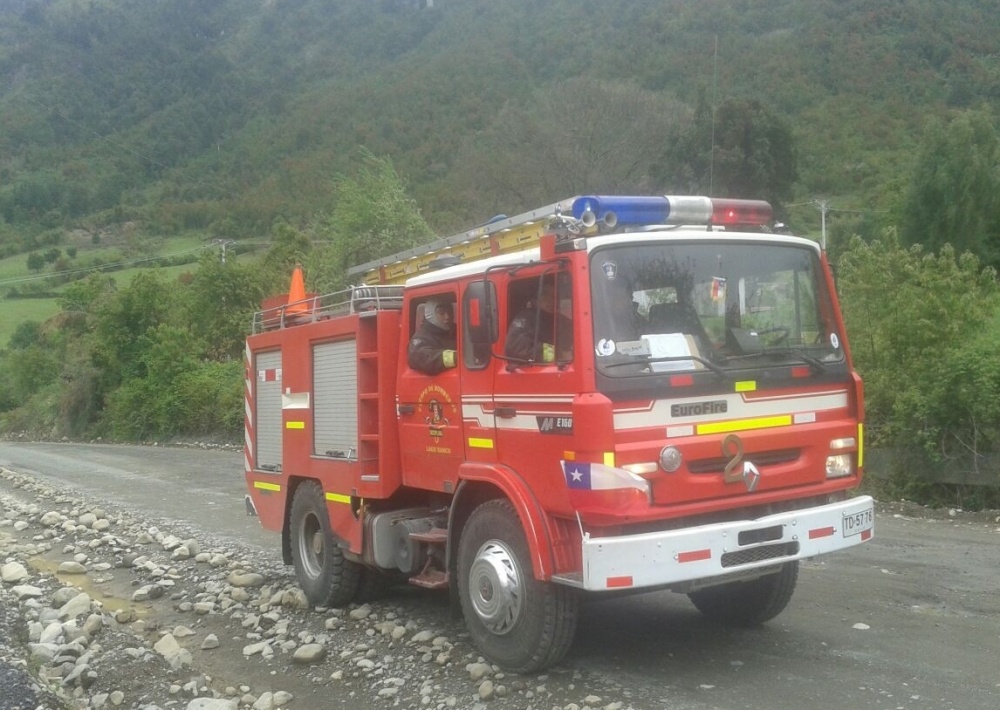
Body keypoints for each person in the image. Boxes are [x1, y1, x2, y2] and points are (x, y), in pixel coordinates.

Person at [504, 280, 572, 363]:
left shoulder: (564, 321)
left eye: (554, 295)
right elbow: (518, 348)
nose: (551, 299)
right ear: (534, 299)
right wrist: (557, 354)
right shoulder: (525, 320)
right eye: (545, 295)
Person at [408, 299, 457, 375]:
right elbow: (426, 359)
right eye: (441, 312)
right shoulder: (420, 339)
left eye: (450, 311)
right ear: (431, 314)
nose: (447, 316)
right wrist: (456, 357)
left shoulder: (457, 331)